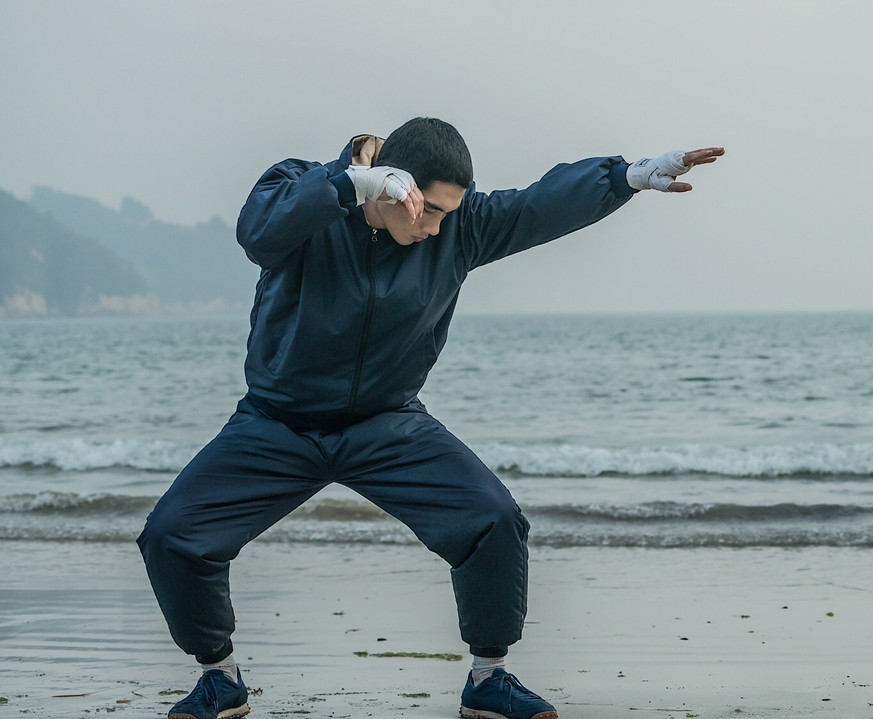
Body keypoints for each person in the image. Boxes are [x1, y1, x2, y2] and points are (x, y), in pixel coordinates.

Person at [136, 116, 723, 719]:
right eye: (430, 210)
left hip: (388, 423)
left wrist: (626, 177)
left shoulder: (457, 228)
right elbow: (257, 232)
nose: (438, 227)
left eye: (449, 212)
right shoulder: (304, 189)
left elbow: (538, 206)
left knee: (493, 521)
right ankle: (220, 678)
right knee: (171, 537)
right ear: (394, 188)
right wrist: (351, 183)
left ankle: (489, 679)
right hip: (278, 422)